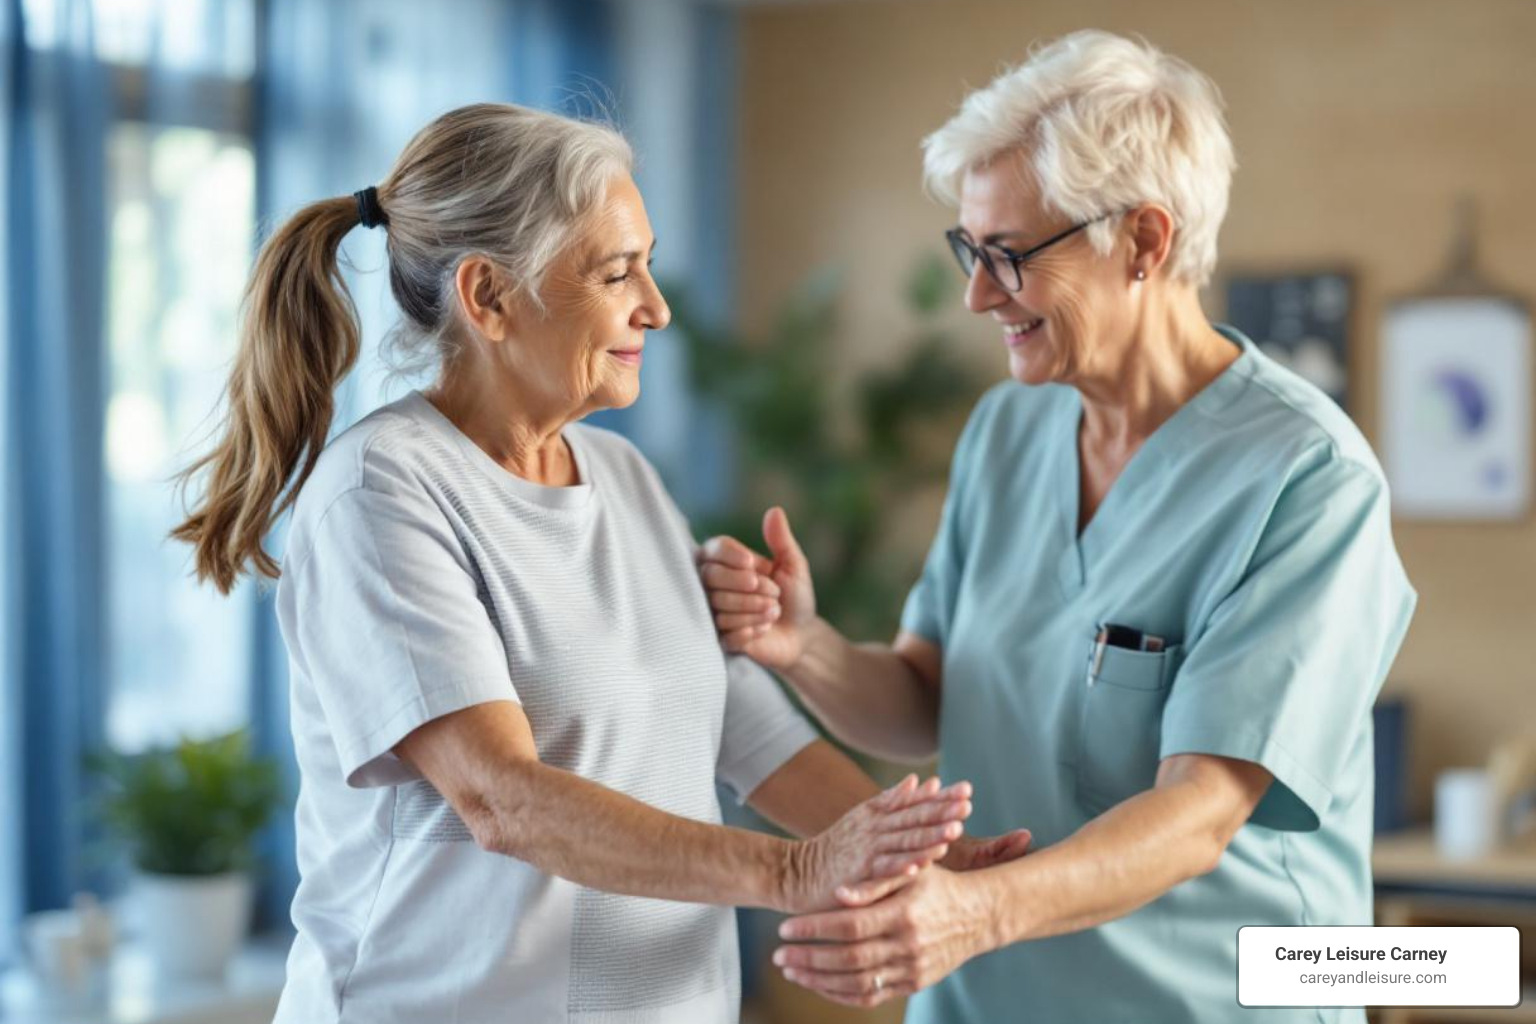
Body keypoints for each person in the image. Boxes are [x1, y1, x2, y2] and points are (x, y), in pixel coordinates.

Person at [171, 102, 1013, 1024]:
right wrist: (796, 871)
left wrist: (911, 855)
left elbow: (749, 732)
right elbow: (502, 799)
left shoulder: (622, 476)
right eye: (618, 273)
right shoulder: (380, 495)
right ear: (487, 297)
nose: (655, 306)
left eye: (647, 265)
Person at [698, 30, 1416, 1024]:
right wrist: (804, 647)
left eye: (1010, 255)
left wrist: (971, 913)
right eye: (970, 248)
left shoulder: (1306, 479)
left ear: (1147, 241)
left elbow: (1199, 811)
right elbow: (928, 700)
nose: (977, 293)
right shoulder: (1009, 428)